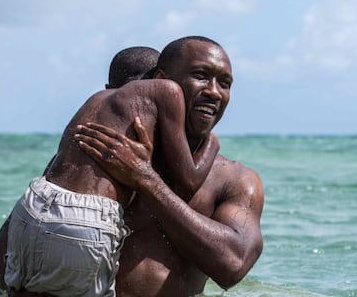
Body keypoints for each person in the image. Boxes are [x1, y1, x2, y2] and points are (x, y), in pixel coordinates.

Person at [1, 44, 220, 296]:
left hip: (34, 205)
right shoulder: (166, 90)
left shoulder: (96, 100)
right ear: (161, 76)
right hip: (83, 221)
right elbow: (187, 181)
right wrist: (210, 144)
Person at [74, 36, 264, 297]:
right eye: (201, 75)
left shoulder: (234, 179)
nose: (214, 91)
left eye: (225, 83)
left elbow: (233, 264)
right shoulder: (109, 152)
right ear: (162, 82)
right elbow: (13, 254)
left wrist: (145, 180)